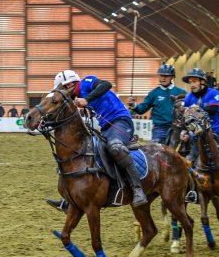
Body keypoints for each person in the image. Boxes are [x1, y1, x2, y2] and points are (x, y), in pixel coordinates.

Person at [46, 70, 148, 210]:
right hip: (105, 127)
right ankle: (69, 200)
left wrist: (86, 99)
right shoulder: (76, 98)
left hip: (120, 121)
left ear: (69, 85)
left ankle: (138, 190)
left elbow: (106, 84)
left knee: (115, 147)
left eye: (61, 89)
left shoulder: (86, 83)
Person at [127, 64, 186, 145]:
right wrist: (133, 104)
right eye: (161, 75)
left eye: (166, 76)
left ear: (172, 77)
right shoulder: (153, 93)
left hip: (177, 128)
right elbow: (141, 109)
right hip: (159, 128)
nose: (163, 78)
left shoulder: (181, 92)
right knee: (155, 151)